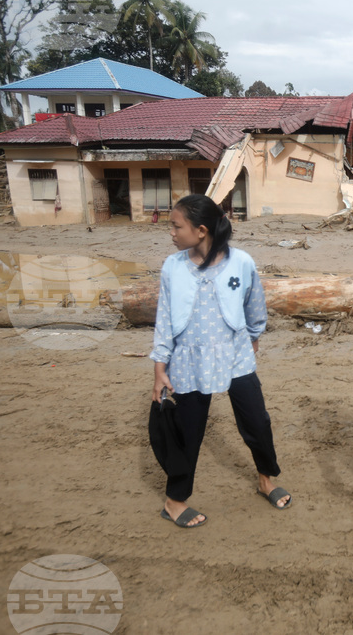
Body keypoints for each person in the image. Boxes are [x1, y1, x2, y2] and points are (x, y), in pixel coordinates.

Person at [149, 194, 291, 529]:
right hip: (188, 360)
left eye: (176, 225)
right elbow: (165, 319)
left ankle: (266, 479)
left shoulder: (241, 263)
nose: (170, 232)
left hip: (235, 356)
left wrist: (253, 336)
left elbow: (255, 305)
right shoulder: (173, 267)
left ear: (201, 230)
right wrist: (160, 367)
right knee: (188, 432)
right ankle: (174, 501)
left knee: (257, 421)